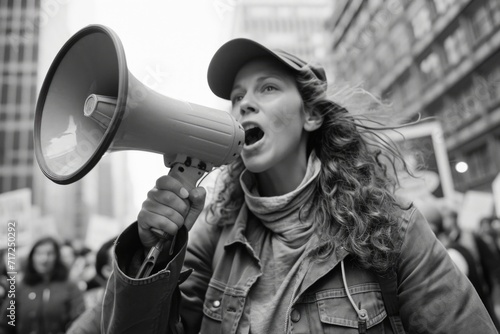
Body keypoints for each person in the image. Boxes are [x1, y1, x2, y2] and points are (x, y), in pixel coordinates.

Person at [90, 38, 497, 333]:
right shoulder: (211, 237)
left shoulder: (392, 229)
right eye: (236, 96)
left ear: (311, 117)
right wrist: (152, 253)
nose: (244, 103)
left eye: (267, 88)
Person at [0, 236, 85, 334]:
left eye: (50, 254)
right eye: (39, 253)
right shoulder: (21, 287)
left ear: (57, 257)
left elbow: (79, 321)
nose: (44, 259)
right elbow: (5, 324)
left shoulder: (70, 286)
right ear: (32, 257)